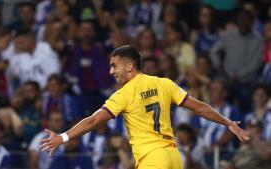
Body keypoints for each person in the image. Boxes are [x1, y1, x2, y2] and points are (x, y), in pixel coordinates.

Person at [40, 45, 250, 169]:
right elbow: (199, 107)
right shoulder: (164, 83)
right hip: (174, 158)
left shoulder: (124, 94)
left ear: (129, 66)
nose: (111, 71)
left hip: (153, 159)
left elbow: (94, 120)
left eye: (114, 65)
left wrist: (63, 137)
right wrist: (226, 121)